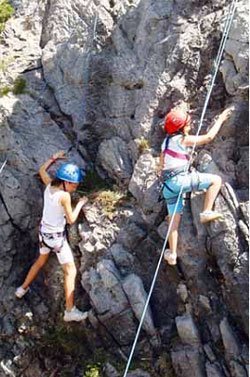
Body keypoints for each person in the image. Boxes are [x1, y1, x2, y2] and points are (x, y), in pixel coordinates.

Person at [15, 151, 89, 322]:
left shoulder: (50, 186)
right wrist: (80, 204)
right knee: (70, 271)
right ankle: (70, 311)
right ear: (66, 182)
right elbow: (71, 220)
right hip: (56, 239)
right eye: (74, 184)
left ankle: (22, 289)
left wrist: (54, 158)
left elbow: (42, 171)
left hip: (44, 234)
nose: (75, 187)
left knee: (41, 261)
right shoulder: (64, 196)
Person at [158, 107, 232, 266]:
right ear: (181, 127)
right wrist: (221, 119)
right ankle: (206, 211)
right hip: (179, 181)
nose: (190, 126)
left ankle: (172, 254)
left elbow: (161, 166)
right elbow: (209, 137)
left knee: (174, 222)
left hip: (167, 187)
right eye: (188, 124)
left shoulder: (165, 143)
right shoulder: (181, 139)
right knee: (216, 180)